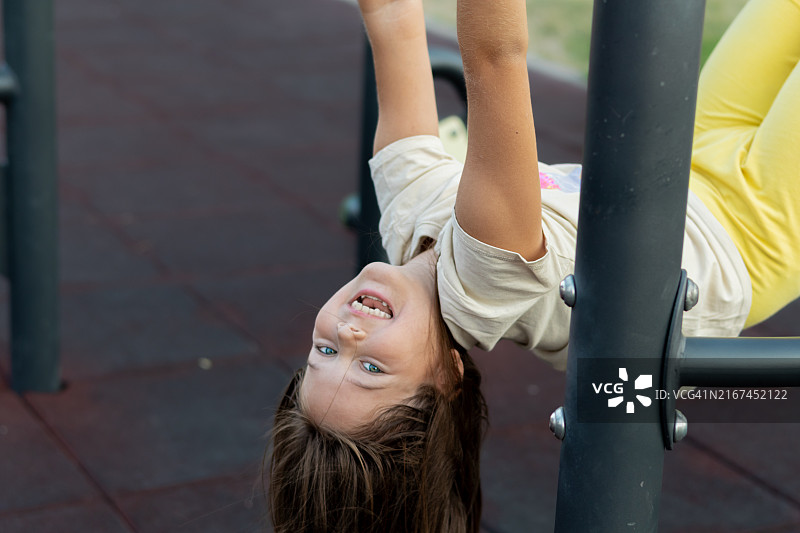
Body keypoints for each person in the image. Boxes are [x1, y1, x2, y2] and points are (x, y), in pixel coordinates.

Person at [265, 0, 800, 530]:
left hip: (681, 171)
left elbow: (391, 22)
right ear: (448, 378)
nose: (350, 333)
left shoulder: (406, 214)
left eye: (326, 351)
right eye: (371, 370)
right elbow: (495, 56)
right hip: (754, 231)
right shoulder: (481, 281)